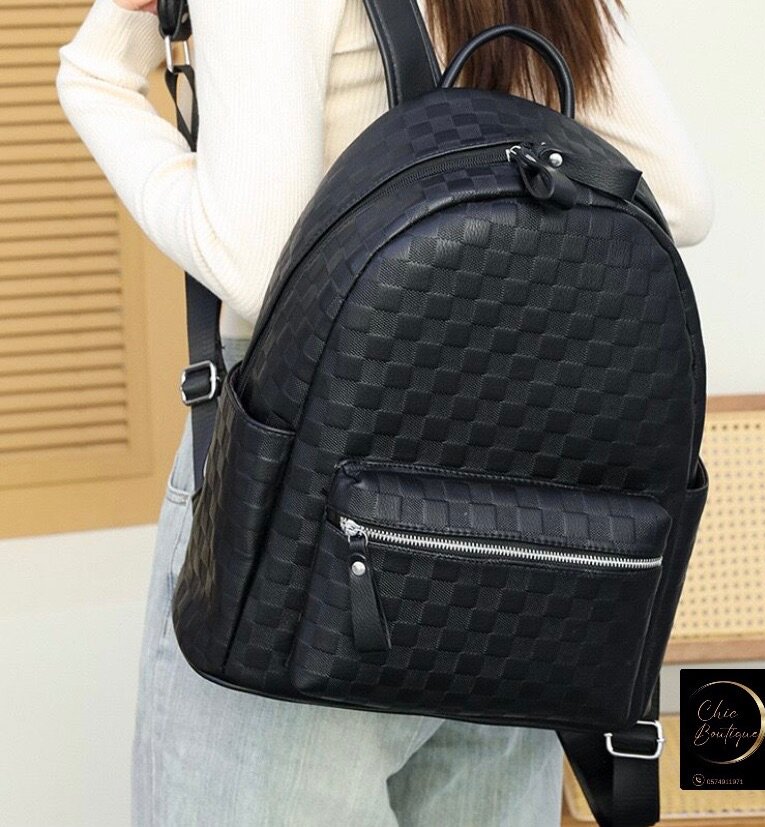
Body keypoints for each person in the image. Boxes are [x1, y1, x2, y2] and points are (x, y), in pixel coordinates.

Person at [57, 1, 713, 824]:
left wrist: (96, 70)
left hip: (311, 513)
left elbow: (252, 262)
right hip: (522, 549)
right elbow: (678, 199)